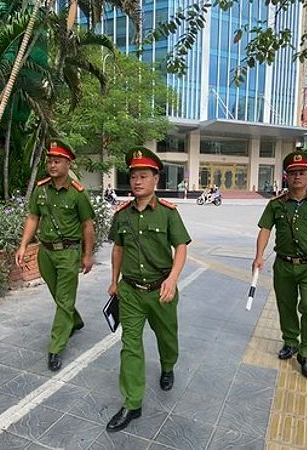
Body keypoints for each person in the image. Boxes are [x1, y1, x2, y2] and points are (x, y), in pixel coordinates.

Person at [106, 147, 191, 432]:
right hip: (130, 291)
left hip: (161, 290)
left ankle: (168, 366)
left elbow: (181, 247)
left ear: (156, 179)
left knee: (167, 337)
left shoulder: (168, 213)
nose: (137, 182)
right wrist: (113, 281)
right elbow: (118, 249)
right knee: (130, 346)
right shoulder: (121, 214)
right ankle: (132, 403)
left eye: (144, 176)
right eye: (133, 176)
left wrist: (173, 279)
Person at [252, 152, 307, 380]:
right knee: (286, 305)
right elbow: (265, 230)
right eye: (293, 173)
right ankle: (290, 342)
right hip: (283, 265)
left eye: (302, 173)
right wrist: (259, 256)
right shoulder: (276, 205)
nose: (297, 177)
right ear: (286, 177)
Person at [16, 140, 95, 372]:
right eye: (50, 161)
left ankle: (56, 346)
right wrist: (23, 245)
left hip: (68, 253)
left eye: (57, 161)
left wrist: (87, 255)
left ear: (68, 164)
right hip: (46, 253)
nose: (52, 165)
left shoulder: (78, 193)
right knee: (59, 295)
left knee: (63, 299)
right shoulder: (41, 189)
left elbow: (88, 225)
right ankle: (75, 320)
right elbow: (33, 217)